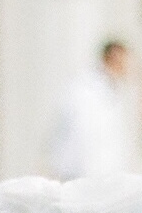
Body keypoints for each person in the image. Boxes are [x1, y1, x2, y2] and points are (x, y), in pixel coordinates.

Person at [45, 39, 130, 181]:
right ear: (112, 60)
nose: (126, 68)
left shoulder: (111, 89)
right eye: (123, 62)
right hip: (83, 176)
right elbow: (82, 135)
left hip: (100, 176)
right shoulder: (85, 90)